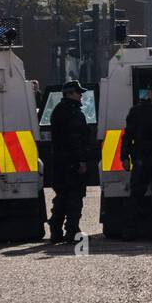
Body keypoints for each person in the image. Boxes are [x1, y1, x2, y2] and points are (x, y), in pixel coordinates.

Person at [47, 80, 94, 243]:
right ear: (69, 93)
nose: (81, 95)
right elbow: (75, 139)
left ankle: (56, 231)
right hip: (72, 163)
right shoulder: (73, 113)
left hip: (60, 162)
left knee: (61, 197)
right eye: (78, 92)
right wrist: (81, 160)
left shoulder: (58, 111)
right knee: (74, 198)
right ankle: (72, 231)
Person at [122, 78, 152, 239]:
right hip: (142, 157)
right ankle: (130, 230)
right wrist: (124, 157)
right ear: (149, 92)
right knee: (136, 195)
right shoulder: (137, 110)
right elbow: (127, 136)